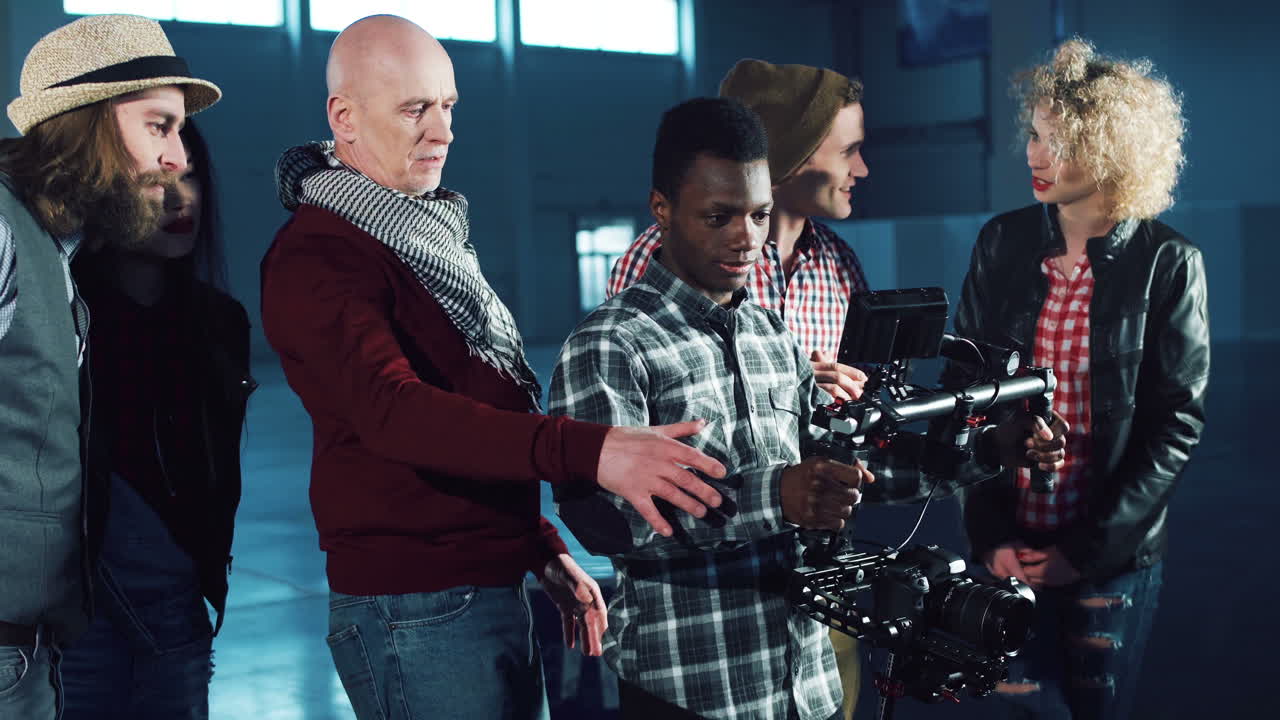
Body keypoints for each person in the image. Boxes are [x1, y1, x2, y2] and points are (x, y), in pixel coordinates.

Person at [259, 15, 729, 720]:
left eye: (448, 106)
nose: (443, 131)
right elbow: (396, 412)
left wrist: (535, 544)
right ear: (344, 118)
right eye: (414, 109)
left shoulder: (425, 235)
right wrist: (592, 449)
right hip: (415, 606)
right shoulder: (322, 253)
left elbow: (479, 401)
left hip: (480, 584)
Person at [548, 97, 1066, 720]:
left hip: (808, 687)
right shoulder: (611, 344)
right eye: (718, 216)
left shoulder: (774, 336)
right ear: (661, 208)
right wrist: (777, 496)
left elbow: (846, 472)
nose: (746, 238)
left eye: (759, 214)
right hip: (692, 692)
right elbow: (603, 522)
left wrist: (988, 450)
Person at [957, 38, 1209, 720]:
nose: (1035, 156)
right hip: (1007, 550)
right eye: (1035, 135)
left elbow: (1175, 426)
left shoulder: (1169, 263)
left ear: (1111, 151)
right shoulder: (1001, 243)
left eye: (1059, 143)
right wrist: (989, 536)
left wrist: (1086, 551)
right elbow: (966, 397)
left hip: (1110, 562)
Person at [0, 14, 220, 718]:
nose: (177, 157)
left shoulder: (55, 253)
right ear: (88, 124)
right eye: (159, 126)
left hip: (31, 643)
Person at [59, 119, 253, 719]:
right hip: (80, 616)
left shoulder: (219, 323)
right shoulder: (65, 316)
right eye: (152, 183)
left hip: (180, 605)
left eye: (191, 179)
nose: (179, 200)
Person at [609, 59, 873, 406]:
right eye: (848, 151)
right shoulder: (661, 256)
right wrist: (784, 382)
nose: (862, 170)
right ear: (790, 154)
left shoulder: (839, 261)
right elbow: (632, 389)